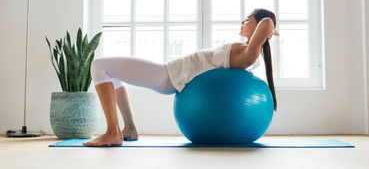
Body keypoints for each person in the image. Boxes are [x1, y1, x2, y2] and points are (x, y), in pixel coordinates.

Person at [83, 8, 279, 147]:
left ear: (259, 28)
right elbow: (264, 25)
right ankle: (129, 129)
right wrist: (265, 32)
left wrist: (268, 28)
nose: (243, 22)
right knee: (111, 72)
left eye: (248, 19)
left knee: (99, 65)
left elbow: (267, 22)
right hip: (170, 74)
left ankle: (112, 132)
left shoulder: (247, 56)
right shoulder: (245, 53)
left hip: (167, 74)